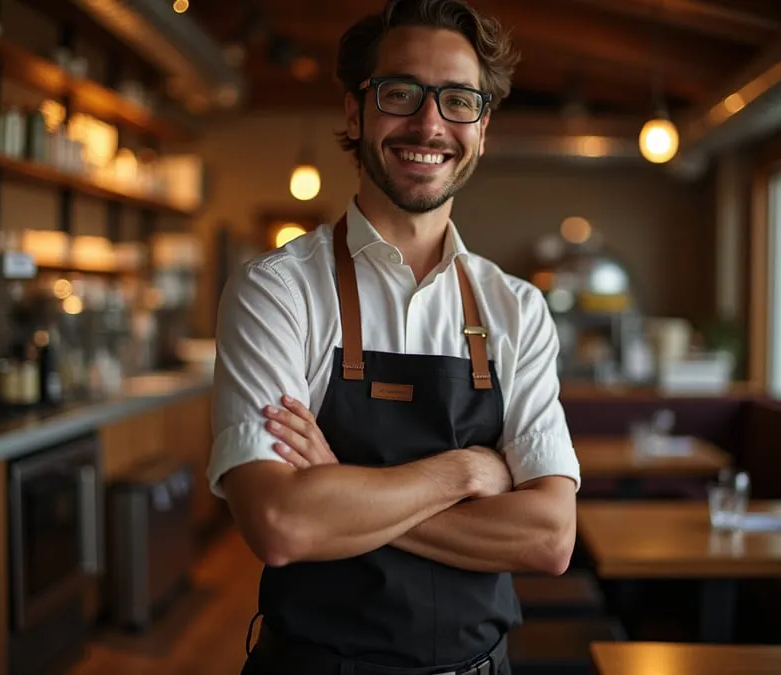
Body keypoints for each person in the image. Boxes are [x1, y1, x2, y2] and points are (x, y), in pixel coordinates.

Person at [209, 0, 581, 673]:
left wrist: (340, 488)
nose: (430, 123)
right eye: (401, 92)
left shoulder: (518, 310)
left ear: (483, 127)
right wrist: (468, 471)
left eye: (458, 99)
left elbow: (550, 537)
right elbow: (282, 524)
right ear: (355, 113)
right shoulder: (276, 291)